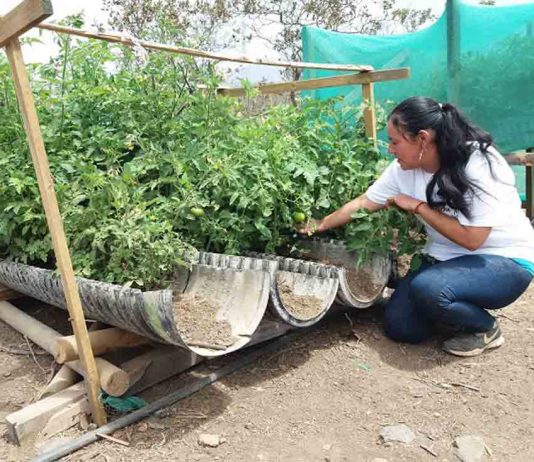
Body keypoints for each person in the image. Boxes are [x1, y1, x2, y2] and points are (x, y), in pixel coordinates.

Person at [300, 96, 534, 357]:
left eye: (395, 141)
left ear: (422, 138)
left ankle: (485, 327)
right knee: (402, 327)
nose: (390, 148)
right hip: (445, 260)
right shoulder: (403, 169)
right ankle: (450, 309)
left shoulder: (477, 161)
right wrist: (318, 225)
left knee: (430, 289)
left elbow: (473, 240)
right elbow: (365, 201)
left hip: (503, 261)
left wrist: (419, 206)